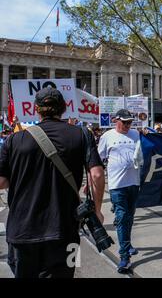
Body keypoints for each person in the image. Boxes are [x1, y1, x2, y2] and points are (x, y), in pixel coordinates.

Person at [0, 87, 105, 278]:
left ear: (36, 109)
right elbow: (97, 174)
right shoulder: (82, 135)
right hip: (64, 230)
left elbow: (1, 182)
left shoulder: (13, 139)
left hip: (22, 231)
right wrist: (97, 211)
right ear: (64, 109)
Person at [98, 109, 141, 272]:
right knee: (122, 217)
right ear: (116, 120)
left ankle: (127, 244)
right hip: (117, 185)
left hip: (134, 184)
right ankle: (124, 257)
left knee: (129, 217)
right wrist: (93, 179)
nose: (127, 125)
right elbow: (97, 158)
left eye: (130, 122)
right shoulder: (107, 136)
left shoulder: (136, 134)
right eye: (125, 122)